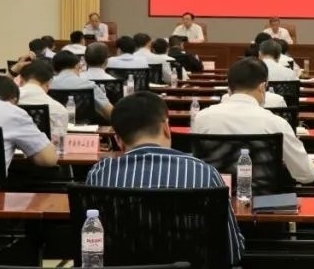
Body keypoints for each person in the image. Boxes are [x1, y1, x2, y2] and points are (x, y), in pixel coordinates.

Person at [87, 92, 244, 264]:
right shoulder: (205, 173)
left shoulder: (99, 174)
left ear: (118, 140)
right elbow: (232, 252)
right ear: (166, 128)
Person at [193, 58, 314, 184]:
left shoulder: (202, 118)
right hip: (263, 195)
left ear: (229, 88)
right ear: (263, 87)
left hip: (214, 194)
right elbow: (307, 175)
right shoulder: (276, 123)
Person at [51, 50, 114, 120]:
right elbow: (110, 112)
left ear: (54, 70)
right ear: (78, 66)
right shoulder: (89, 85)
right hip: (86, 125)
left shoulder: (47, 85)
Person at [17, 59, 68, 140]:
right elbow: (58, 142)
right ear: (49, 82)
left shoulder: (5, 101)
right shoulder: (59, 110)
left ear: (21, 79)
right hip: (43, 147)